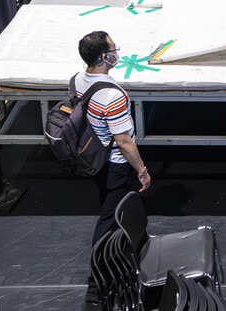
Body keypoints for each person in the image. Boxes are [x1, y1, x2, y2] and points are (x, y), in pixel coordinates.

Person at [77, 31, 151, 304]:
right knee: (108, 221)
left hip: (94, 159)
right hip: (115, 165)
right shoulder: (113, 96)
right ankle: (95, 285)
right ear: (103, 57)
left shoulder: (77, 80)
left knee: (111, 215)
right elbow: (123, 141)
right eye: (112, 49)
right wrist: (142, 170)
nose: (116, 52)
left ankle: (118, 266)